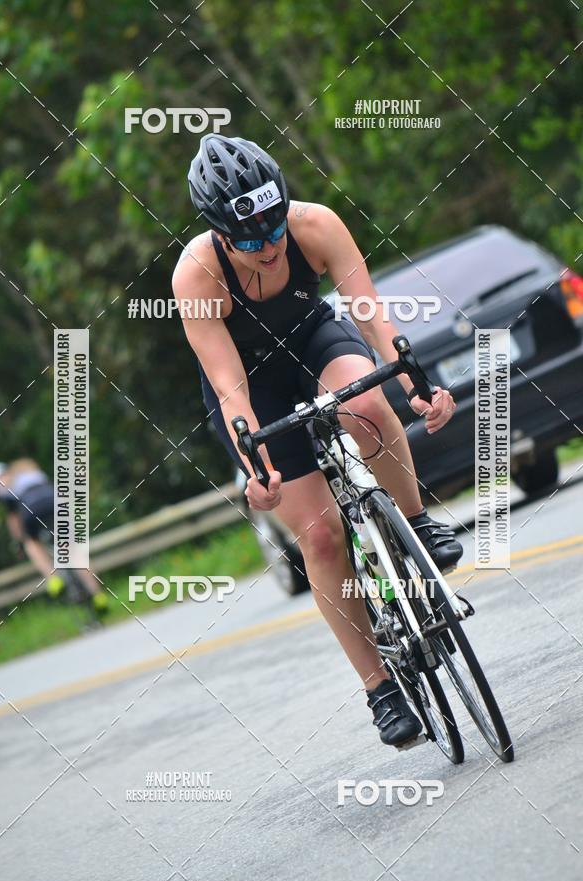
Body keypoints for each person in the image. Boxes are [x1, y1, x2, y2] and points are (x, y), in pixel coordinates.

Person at [174, 133, 462, 747]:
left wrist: (417, 386)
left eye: (275, 224)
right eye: (250, 239)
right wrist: (256, 467)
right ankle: (379, 687)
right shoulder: (197, 277)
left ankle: (415, 521)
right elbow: (230, 390)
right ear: (220, 235)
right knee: (323, 537)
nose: (271, 245)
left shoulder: (316, 227)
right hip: (253, 387)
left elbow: (373, 319)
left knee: (366, 403)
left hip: (314, 342)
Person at [0, 460, 108, 614]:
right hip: (55, 503)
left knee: (32, 543)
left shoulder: (4, 487)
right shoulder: (31, 473)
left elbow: (14, 522)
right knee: (72, 550)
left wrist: (19, 541)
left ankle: (53, 579)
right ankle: (98, 595)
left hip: (32, 510)